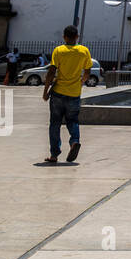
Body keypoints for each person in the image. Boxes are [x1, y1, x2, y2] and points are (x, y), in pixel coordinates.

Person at [43, 25, 93, 164]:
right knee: (72, 121)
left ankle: (54, 155)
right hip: (74, 93)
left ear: (64, 37)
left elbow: (51, 73)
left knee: (55, 123)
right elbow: (87, 74)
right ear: (77, 37)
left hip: (58, 93)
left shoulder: (59, 50)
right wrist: (80, 82)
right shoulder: (84, 51)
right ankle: (74, 142)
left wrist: (46, 92)